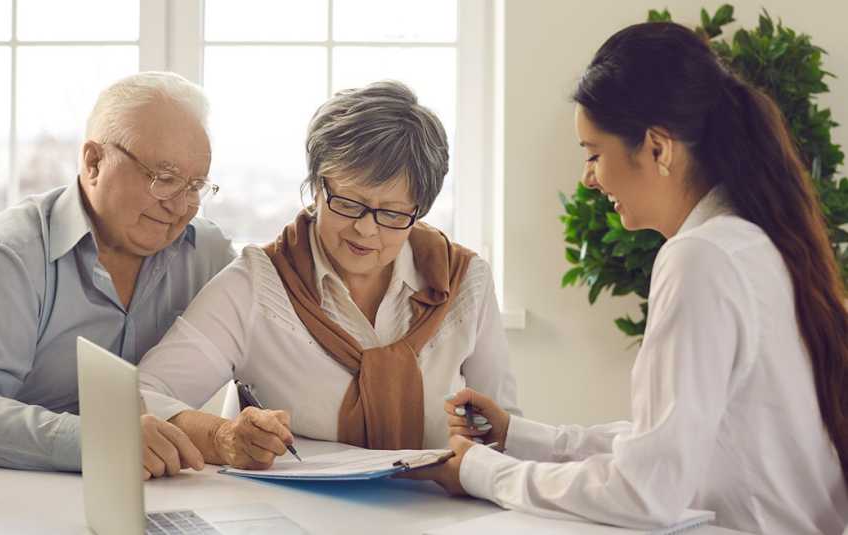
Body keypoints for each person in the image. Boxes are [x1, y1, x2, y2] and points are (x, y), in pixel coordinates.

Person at [408, 22, 848, 535]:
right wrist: (520, 438)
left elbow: (646, 491)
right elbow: (669, 441)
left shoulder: (701, 258)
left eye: (594, 154)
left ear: (658, 148)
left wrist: (483, 471)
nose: (587, 178)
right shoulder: (754, 241)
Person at [136, 80, 520, 479]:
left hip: (441, 512)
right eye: (348, 204)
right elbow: (140, 397)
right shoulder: (255, 285)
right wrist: (224, 436)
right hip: (288, 516)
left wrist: (482, 453)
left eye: (391, 214)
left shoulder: (465, 281)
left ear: (419, 209)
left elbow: (503, 428)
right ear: (317, 187)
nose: (365, 231)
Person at [0, 72, 235, 472]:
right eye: (165, 179)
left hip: (145, 499)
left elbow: (274, 335)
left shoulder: (205, 253)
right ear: (94, 161)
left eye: (195, 186)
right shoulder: (6, 256)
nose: (180, 205)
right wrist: (99, 440)